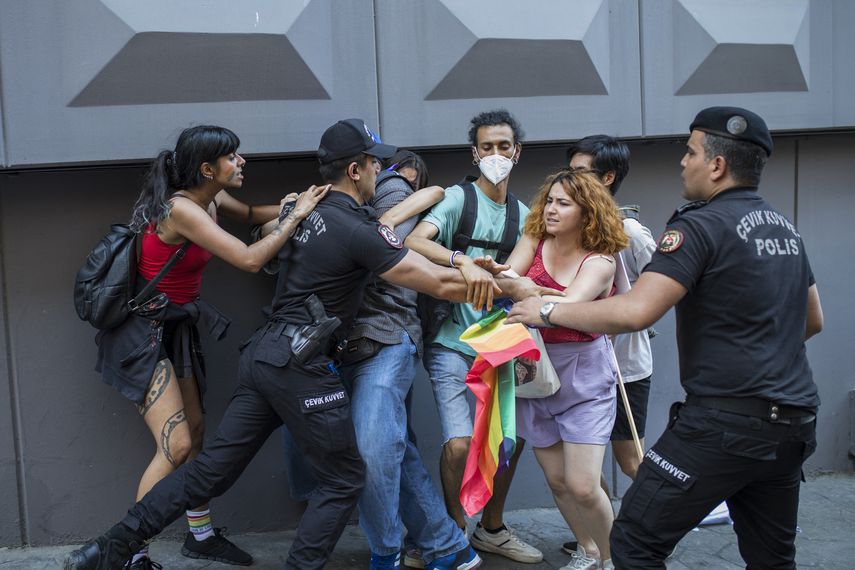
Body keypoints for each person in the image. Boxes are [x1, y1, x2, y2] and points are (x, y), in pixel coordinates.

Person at [65, 118, 542, 570]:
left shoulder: (304, 215)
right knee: (344, 477)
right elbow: (435, 283)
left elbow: (268, 232)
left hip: (264, 356)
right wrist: (512, 287)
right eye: (375, 163)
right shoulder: (358, 230)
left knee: (209, 471)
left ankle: (108, 548)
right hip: (300, 365)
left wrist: (471, 267)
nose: (381, 171)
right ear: (356, 170)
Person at [508, 106, 823, 569]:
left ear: (716, 165)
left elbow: (636, 312)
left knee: (633, 541)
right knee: (772, 558)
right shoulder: (784, 230)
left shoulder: (698, 225)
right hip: (793, 423)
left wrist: (547, 307)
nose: (682, 162)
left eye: (690, 152)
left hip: (723, 422)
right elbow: (812, 320)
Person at [92, 125, 327, 569]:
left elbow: (256, 214)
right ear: (207, 168)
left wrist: (308, 203)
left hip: (174, 330)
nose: (241, 162)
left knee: (196, 435)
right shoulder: (182, 209)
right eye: (233, 157)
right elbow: (250, 258)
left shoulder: (211, 199)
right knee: (177, 446)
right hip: (141, 336)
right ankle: (129, 552)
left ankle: (199, 536)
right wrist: (296, 218)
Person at [405, 109, 543, 564]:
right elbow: (414, 240)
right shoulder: (456, 199)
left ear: (517, 152)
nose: (496, 155)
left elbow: (524, 277)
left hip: (497, 341)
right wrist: (461, 259)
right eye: (488, 147)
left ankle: (492, 529)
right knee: (460, 443)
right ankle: (451, 532)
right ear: (475, 152)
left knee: (508, 442)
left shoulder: (524, 216)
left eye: (505, 147)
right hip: (449, 340)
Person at [482, 169, 628, 570]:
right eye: (549, 200)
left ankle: (618, 558)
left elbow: (569, 312)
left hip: (584, 377)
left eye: (563, 203)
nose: (550, 209)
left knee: (583, 485)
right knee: (559, 481)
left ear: (588, 211)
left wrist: (530, 293)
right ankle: (588, 549)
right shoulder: (535, 239)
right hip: (534, 372)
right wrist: (515, 285)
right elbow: (506, 281)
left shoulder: (600, 260)